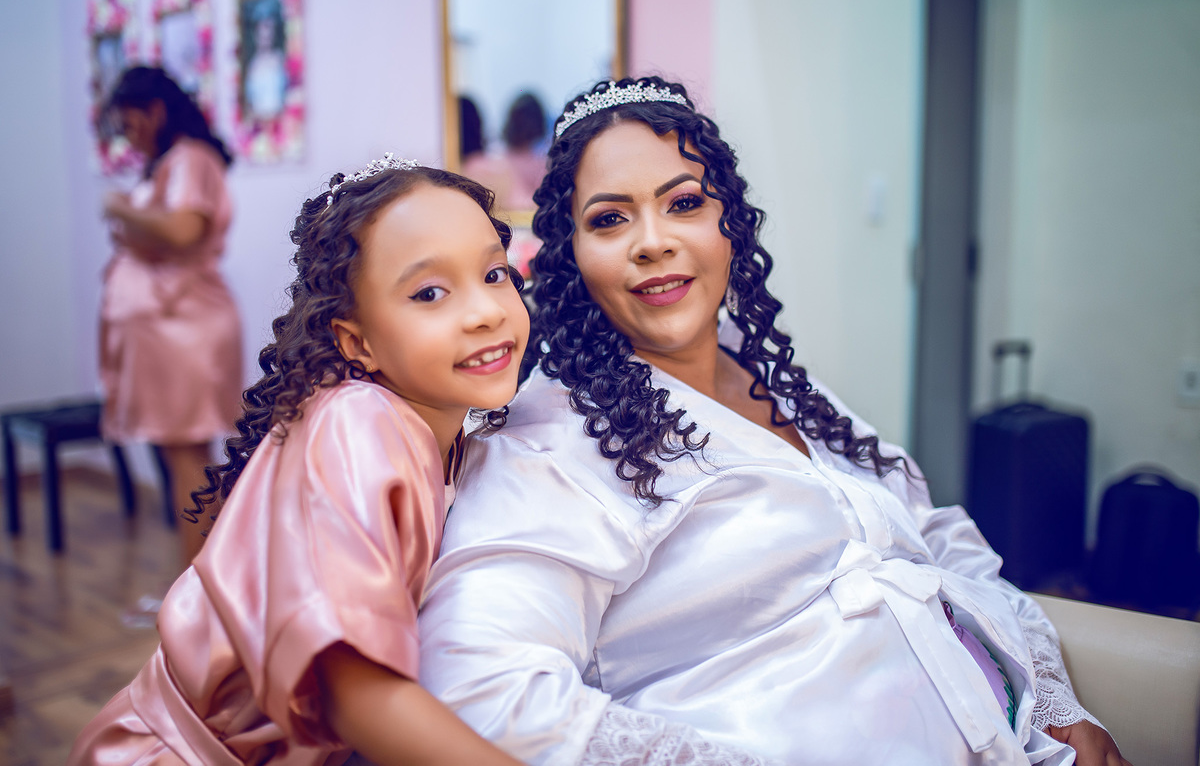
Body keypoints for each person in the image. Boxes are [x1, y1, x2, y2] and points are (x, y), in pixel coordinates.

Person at [418, 78, 1132, 765]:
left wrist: (1055, 704)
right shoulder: (549, 443)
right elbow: (483, 687)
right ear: (570, 253)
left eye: (684, 203)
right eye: (609, 219)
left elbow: (932, 532)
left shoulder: (772, 376)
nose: (652, 241)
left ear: (730, 222)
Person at [68, 156, 530, 765]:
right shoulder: (357, 423)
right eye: (429, 293)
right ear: (357, 341)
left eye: (495, 274)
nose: (486, 311)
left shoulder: (442, 428)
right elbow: (356, 696)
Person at [101, 66, 242, 573]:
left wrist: (119, 208)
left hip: (184, 325)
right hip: (167, 327)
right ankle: (197, 586)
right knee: (181, 455)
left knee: (189, 459)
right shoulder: (167, 165)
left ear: (155, 111)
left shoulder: (191, 158)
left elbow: (183, 230)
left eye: (130, 124)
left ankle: (198, 591)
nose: (128, 137)